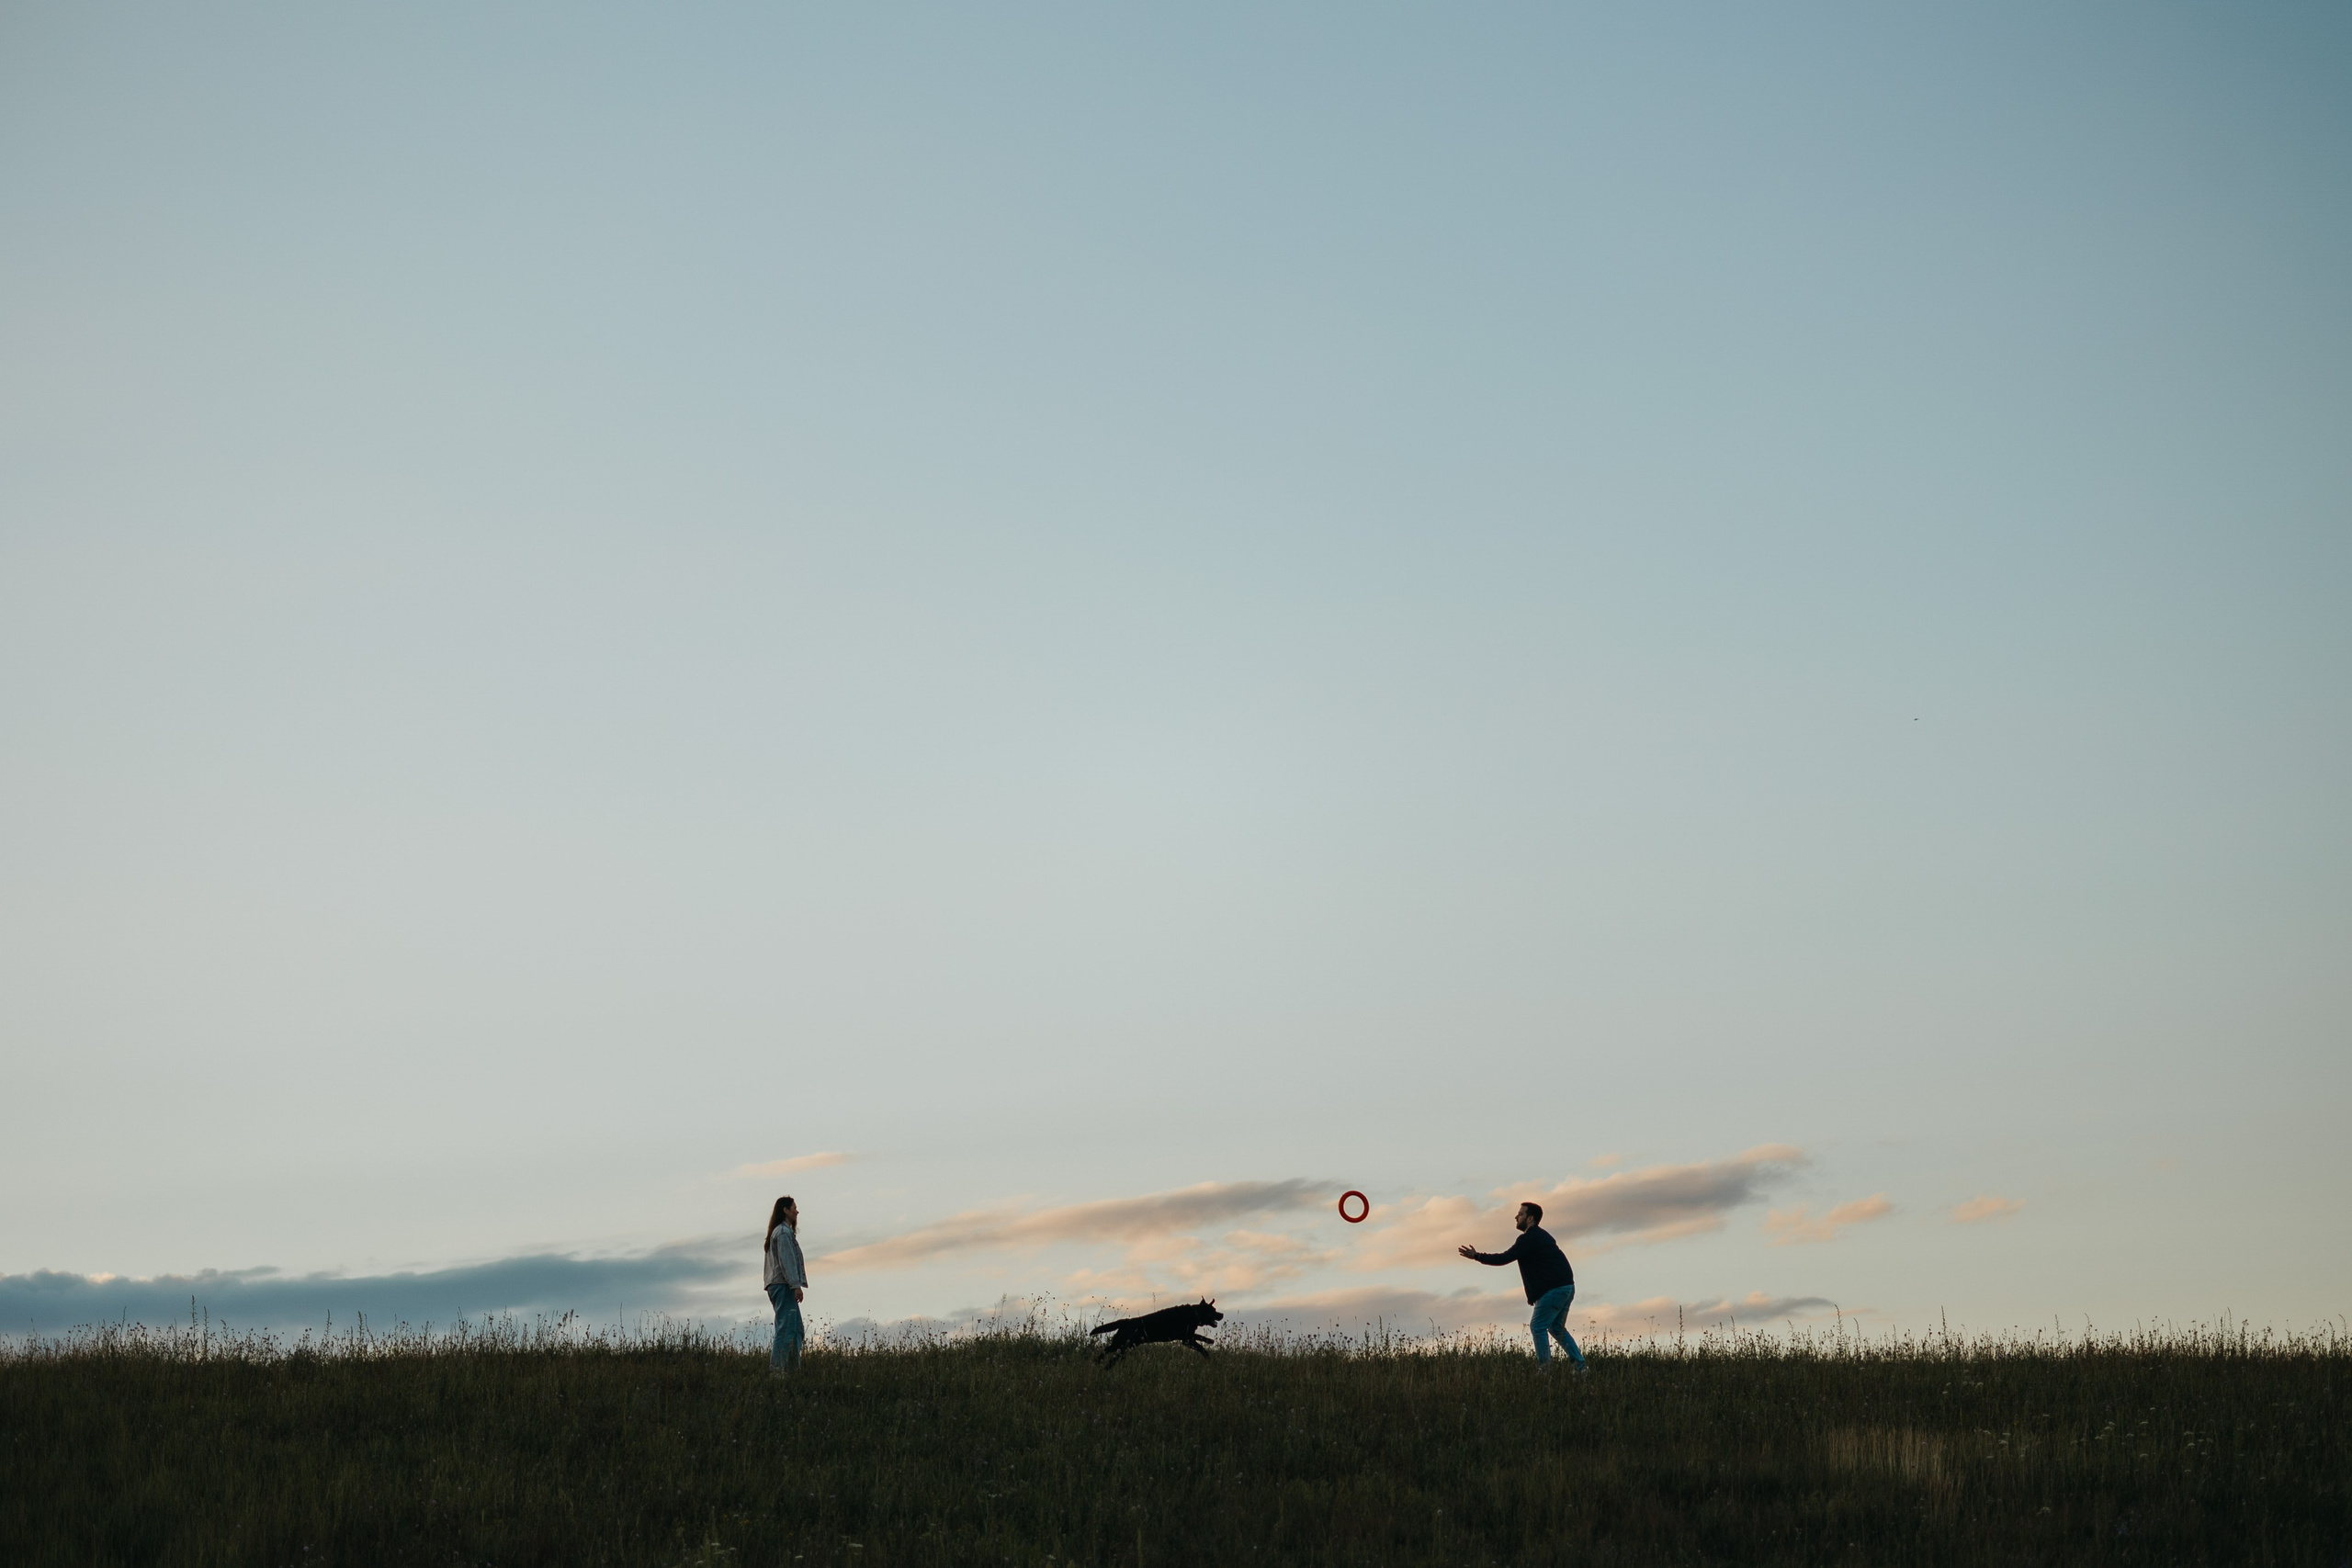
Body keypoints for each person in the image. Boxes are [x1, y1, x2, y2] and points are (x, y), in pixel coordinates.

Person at [1460, 1201, 1588, 1372]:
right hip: (1566, 1287)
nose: (1516, 1217)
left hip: (1555, 1290)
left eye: (1520, 1214)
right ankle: (1580, 1367)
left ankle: (1545, 1370)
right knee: (1556, 1328)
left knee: (1538, 1327)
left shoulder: (1529, 1238)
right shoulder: (1542, 1236)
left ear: (1530, 1219)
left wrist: (1477, 1256)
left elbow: (1504, 1258)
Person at [763, 1195, 808, 1374]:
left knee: (796, 1330)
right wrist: (795, 1285)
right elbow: (787, 1261)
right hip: (783, 1285)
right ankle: (777, 1373)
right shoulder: (782, 1233)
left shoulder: (783, 1232)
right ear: (785, 1210)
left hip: (781, 1284)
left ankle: (792, 1371)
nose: (797, 1211)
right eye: (794, 1208)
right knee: (785, 1330)